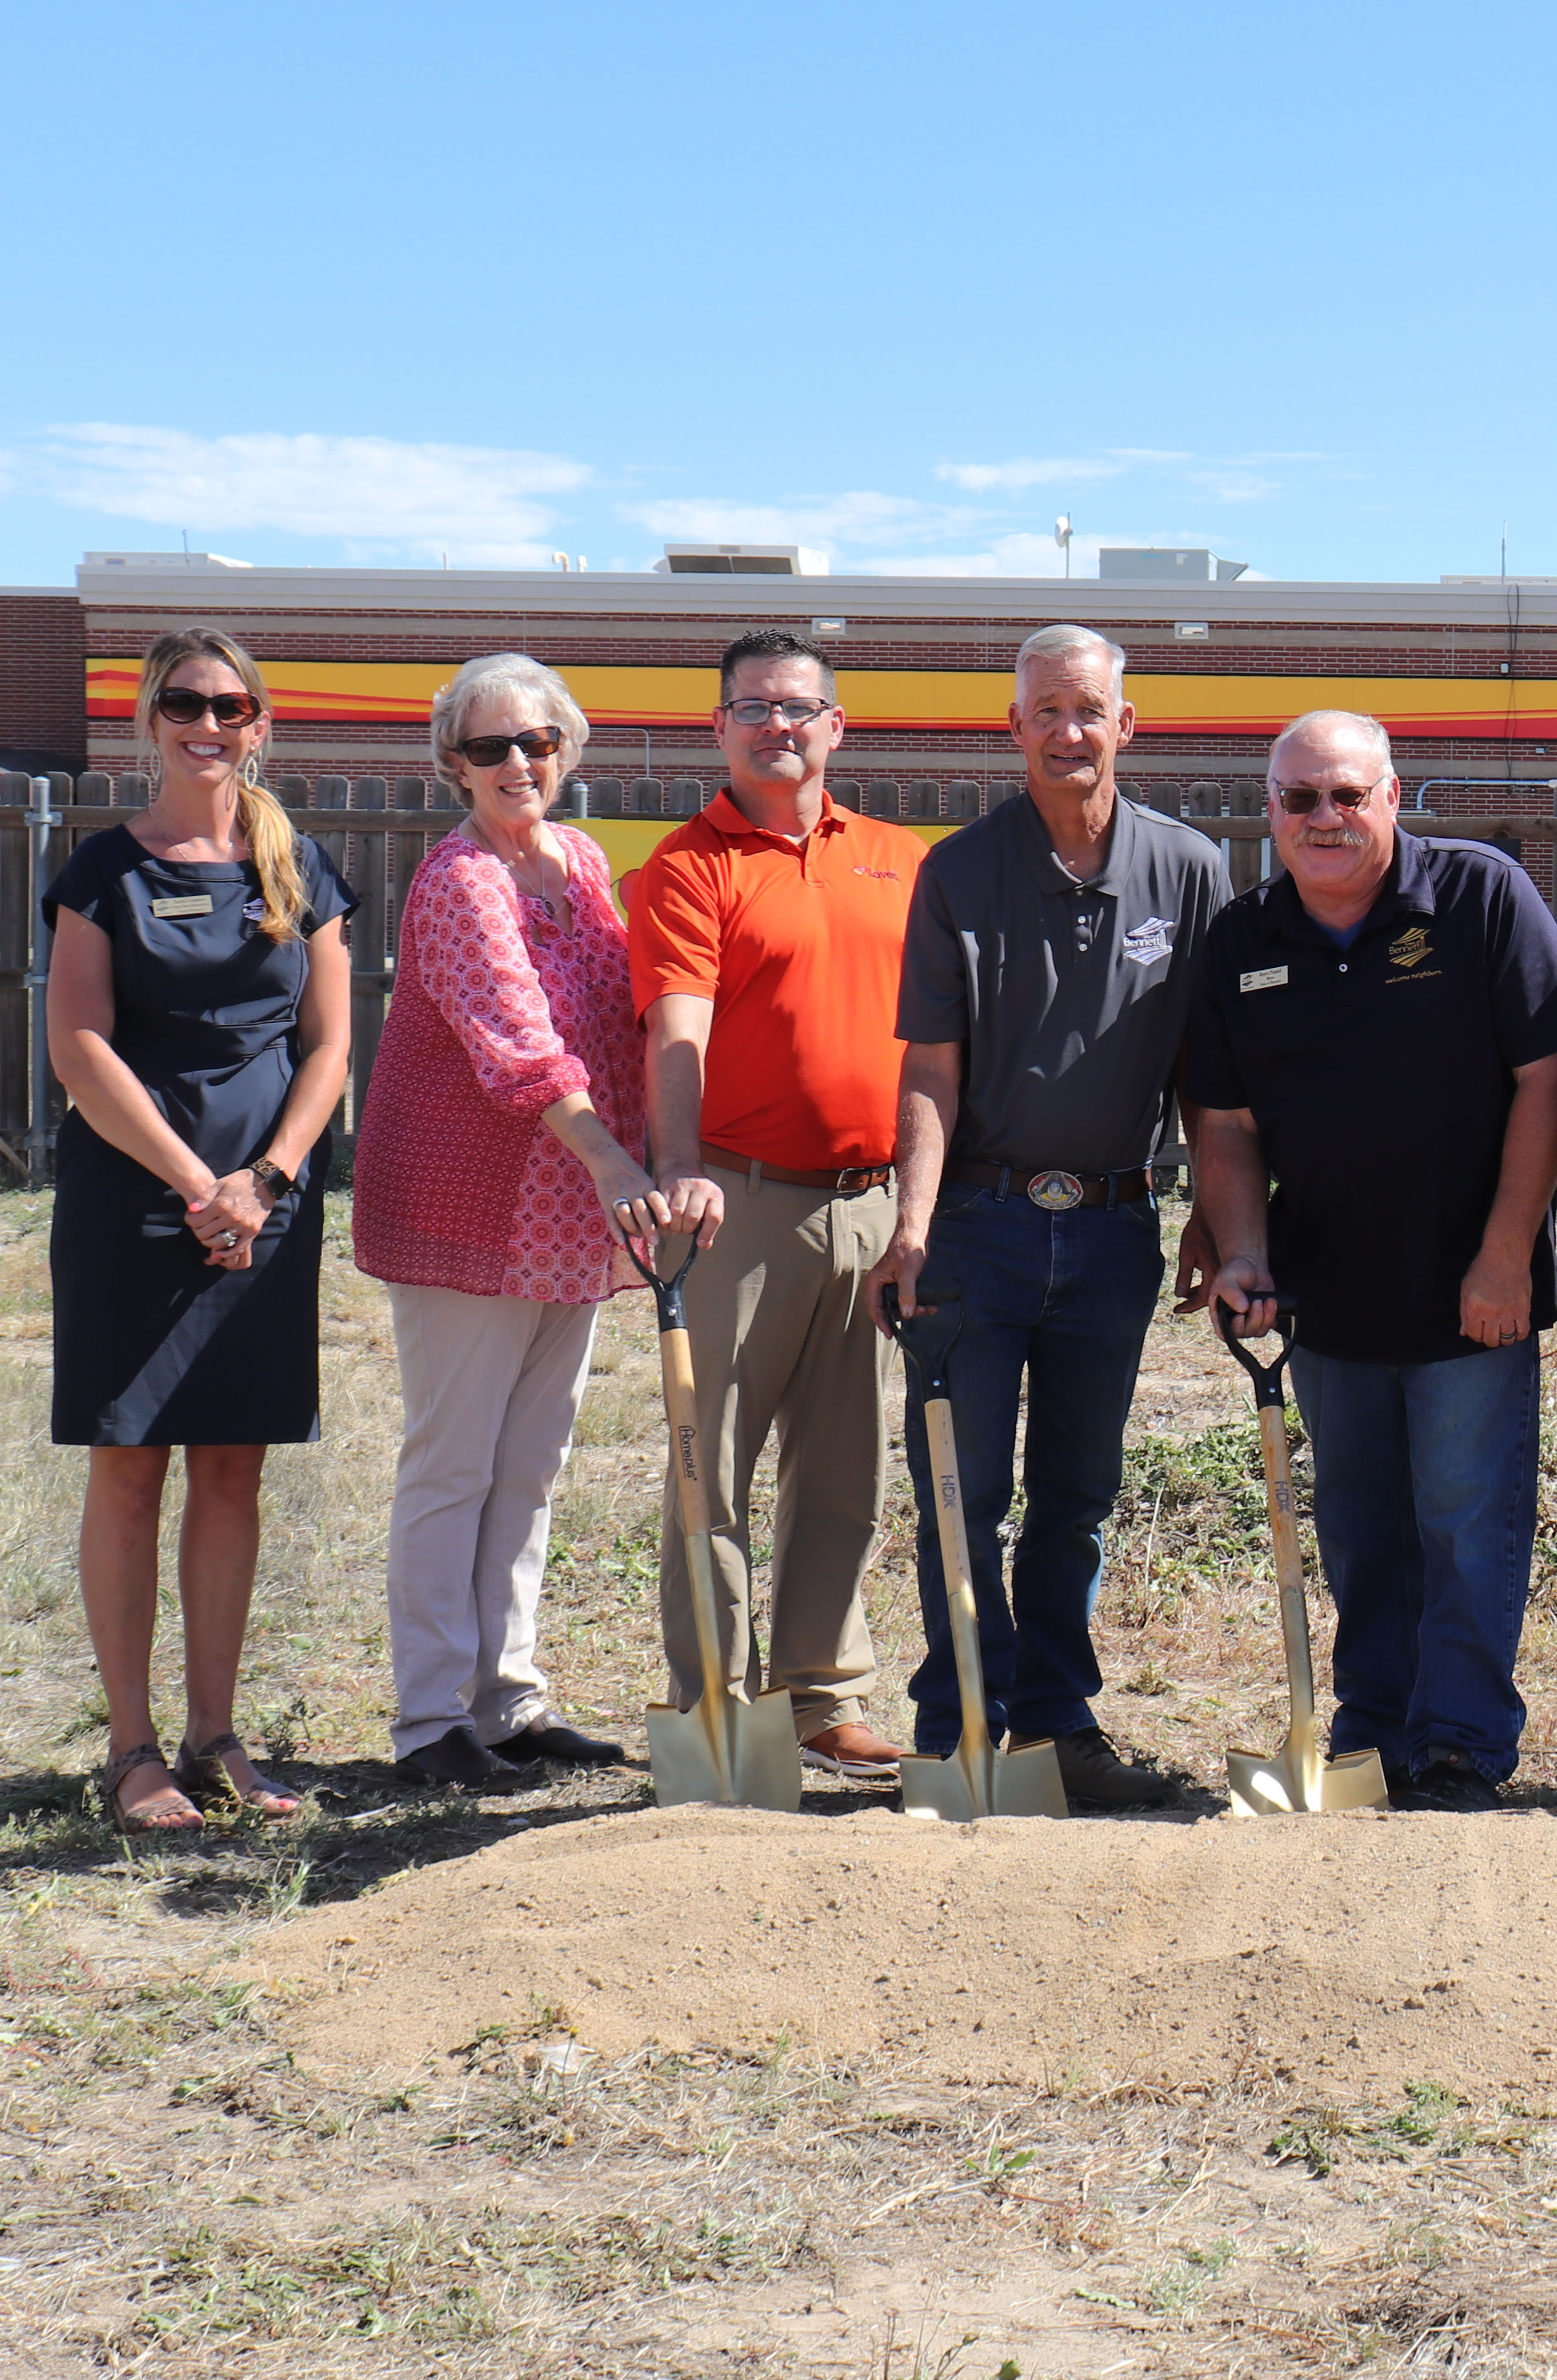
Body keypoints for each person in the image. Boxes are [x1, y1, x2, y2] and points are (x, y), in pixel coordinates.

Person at [1184, 711, 1557, 1812]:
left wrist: (1505, 1254)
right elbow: (1221, 1120)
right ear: (1270, 809)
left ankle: (1459, 1739)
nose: (1325, 817)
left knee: (1466, 1518)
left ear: (1393, 796)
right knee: (1359, 1524)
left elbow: (1550, 1078)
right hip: (1329, 1291)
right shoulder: (1243, 938)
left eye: (1347, 795)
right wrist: (1247, 1254)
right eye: (1300, 798)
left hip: (1473, 1291)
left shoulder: (1481, 895)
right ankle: (1371, 1728)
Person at [872, 626, 1228, 1808]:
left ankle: (1060, 1727)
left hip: (1118, 1229)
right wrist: (912, 1225)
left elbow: (1205, 1072)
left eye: (1090, 710)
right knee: (960, 1491)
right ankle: (957, 1727)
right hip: (980, 1226)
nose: (1069, 732)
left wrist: (1216, 1219)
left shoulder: (1189, 869)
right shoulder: (961, 873)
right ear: (1012, 728)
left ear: (1127, 724)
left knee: (1077, 1495)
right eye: (1046, 712)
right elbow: (928, 1070)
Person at [47, 628, 353, 1831]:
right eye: (185, 702)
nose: (208, 723)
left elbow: (328, 1045)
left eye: (230, 705)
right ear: (150, 717)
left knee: (234, 1464)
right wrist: (194, 1181)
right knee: (131, 1467)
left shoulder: (301, 867)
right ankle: (133, 1752)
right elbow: (79, 1045)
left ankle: (216, 1734)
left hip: (266, 1207)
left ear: (260, 722)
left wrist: (265, 1179)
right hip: (137, 1202)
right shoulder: (102, 869)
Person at [354, 654, 663, 1790]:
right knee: (454, 1465)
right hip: (464, 1210)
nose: (518, 763)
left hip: (566, 1215)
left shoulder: (582, 864)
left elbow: (623, 1023)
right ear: (455, 764)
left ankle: (509, 1696)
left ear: (569, 748)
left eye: (537, 741)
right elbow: (517, 1048)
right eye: (491, 747)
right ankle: (431, 1719)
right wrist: (620, 1166)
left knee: (530, 1463)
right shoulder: (461, 881)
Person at [624, 629, 923, 1785]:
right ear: (719, 728)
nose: (776, 726)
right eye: (752, 708)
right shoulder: (691, 864)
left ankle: (822, 1694)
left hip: (873, 1201)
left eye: (798, 707)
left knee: (846, 1468)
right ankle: (714, 1706)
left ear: (836, 727)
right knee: (714, 1464)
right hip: (738, 1202)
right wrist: (679, 1166)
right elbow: (677, 1028)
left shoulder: (902, 859)